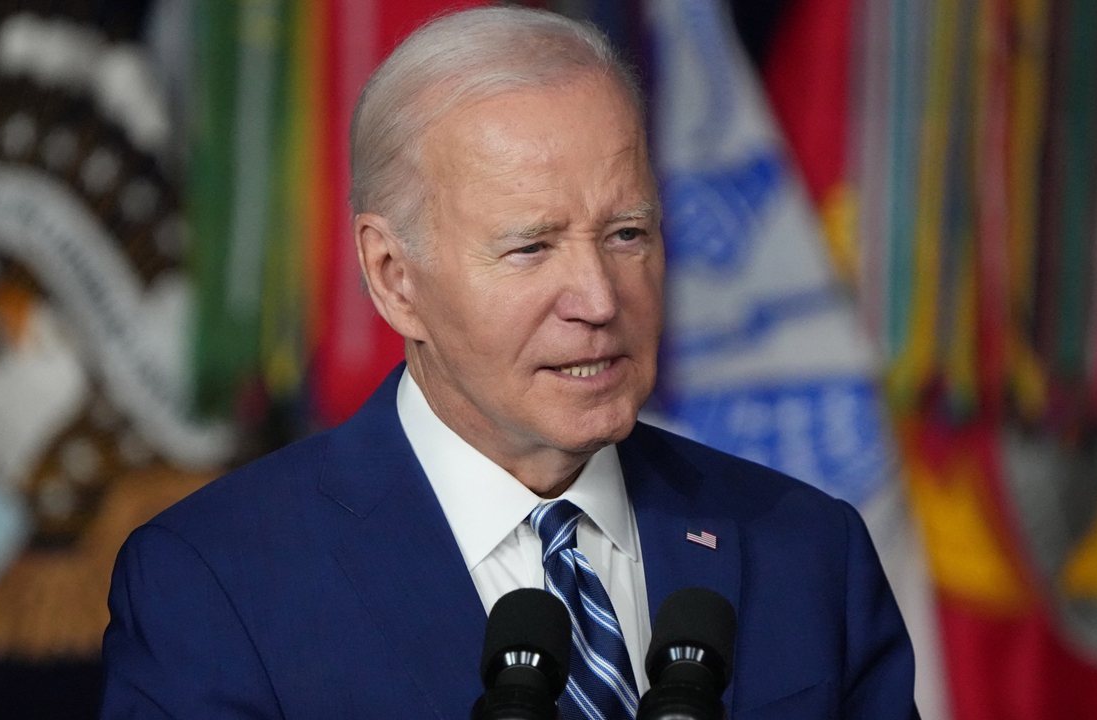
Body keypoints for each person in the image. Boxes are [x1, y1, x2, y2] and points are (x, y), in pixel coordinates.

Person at [101, 7, 919, 719]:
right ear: (394, 278)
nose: (599, 298)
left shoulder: (808, 554)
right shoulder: (216, 585)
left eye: (626, 234)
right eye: (531, 248)